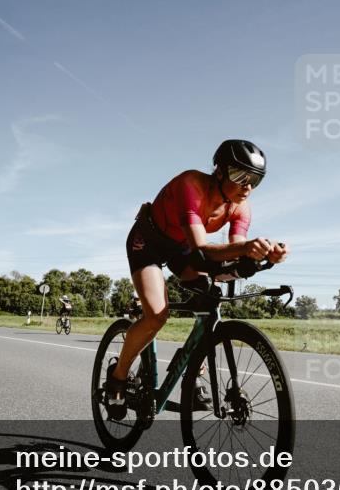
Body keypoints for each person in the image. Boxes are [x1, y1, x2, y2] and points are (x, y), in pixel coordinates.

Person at [105, 139, 288, 410]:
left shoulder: (240, 208)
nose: (247, 187)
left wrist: (263, 255)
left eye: (255, 180)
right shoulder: (191, 185)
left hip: (183, 248)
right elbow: (203, 248)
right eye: (240, 176)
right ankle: (117, 378)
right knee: (157, 314)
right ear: (219, 171)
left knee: (208, 301)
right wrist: (246, 249)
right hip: (149, 242)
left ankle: (193, 377)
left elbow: (233, 251)